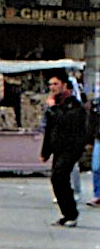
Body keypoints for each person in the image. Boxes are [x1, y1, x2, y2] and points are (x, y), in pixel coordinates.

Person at [40, 75, 88, 228]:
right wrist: (45, 151)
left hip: (71, 148)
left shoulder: (74, 105)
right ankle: (67, 213)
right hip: (58, 148)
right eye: (50, 84)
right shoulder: (55, 105)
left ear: (64, 85)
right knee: (57, 179)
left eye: (55, 84)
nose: (52, 87)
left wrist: (53, 108)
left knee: (60, 176)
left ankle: (71, 214)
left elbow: (67, 123)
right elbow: (50, 129)